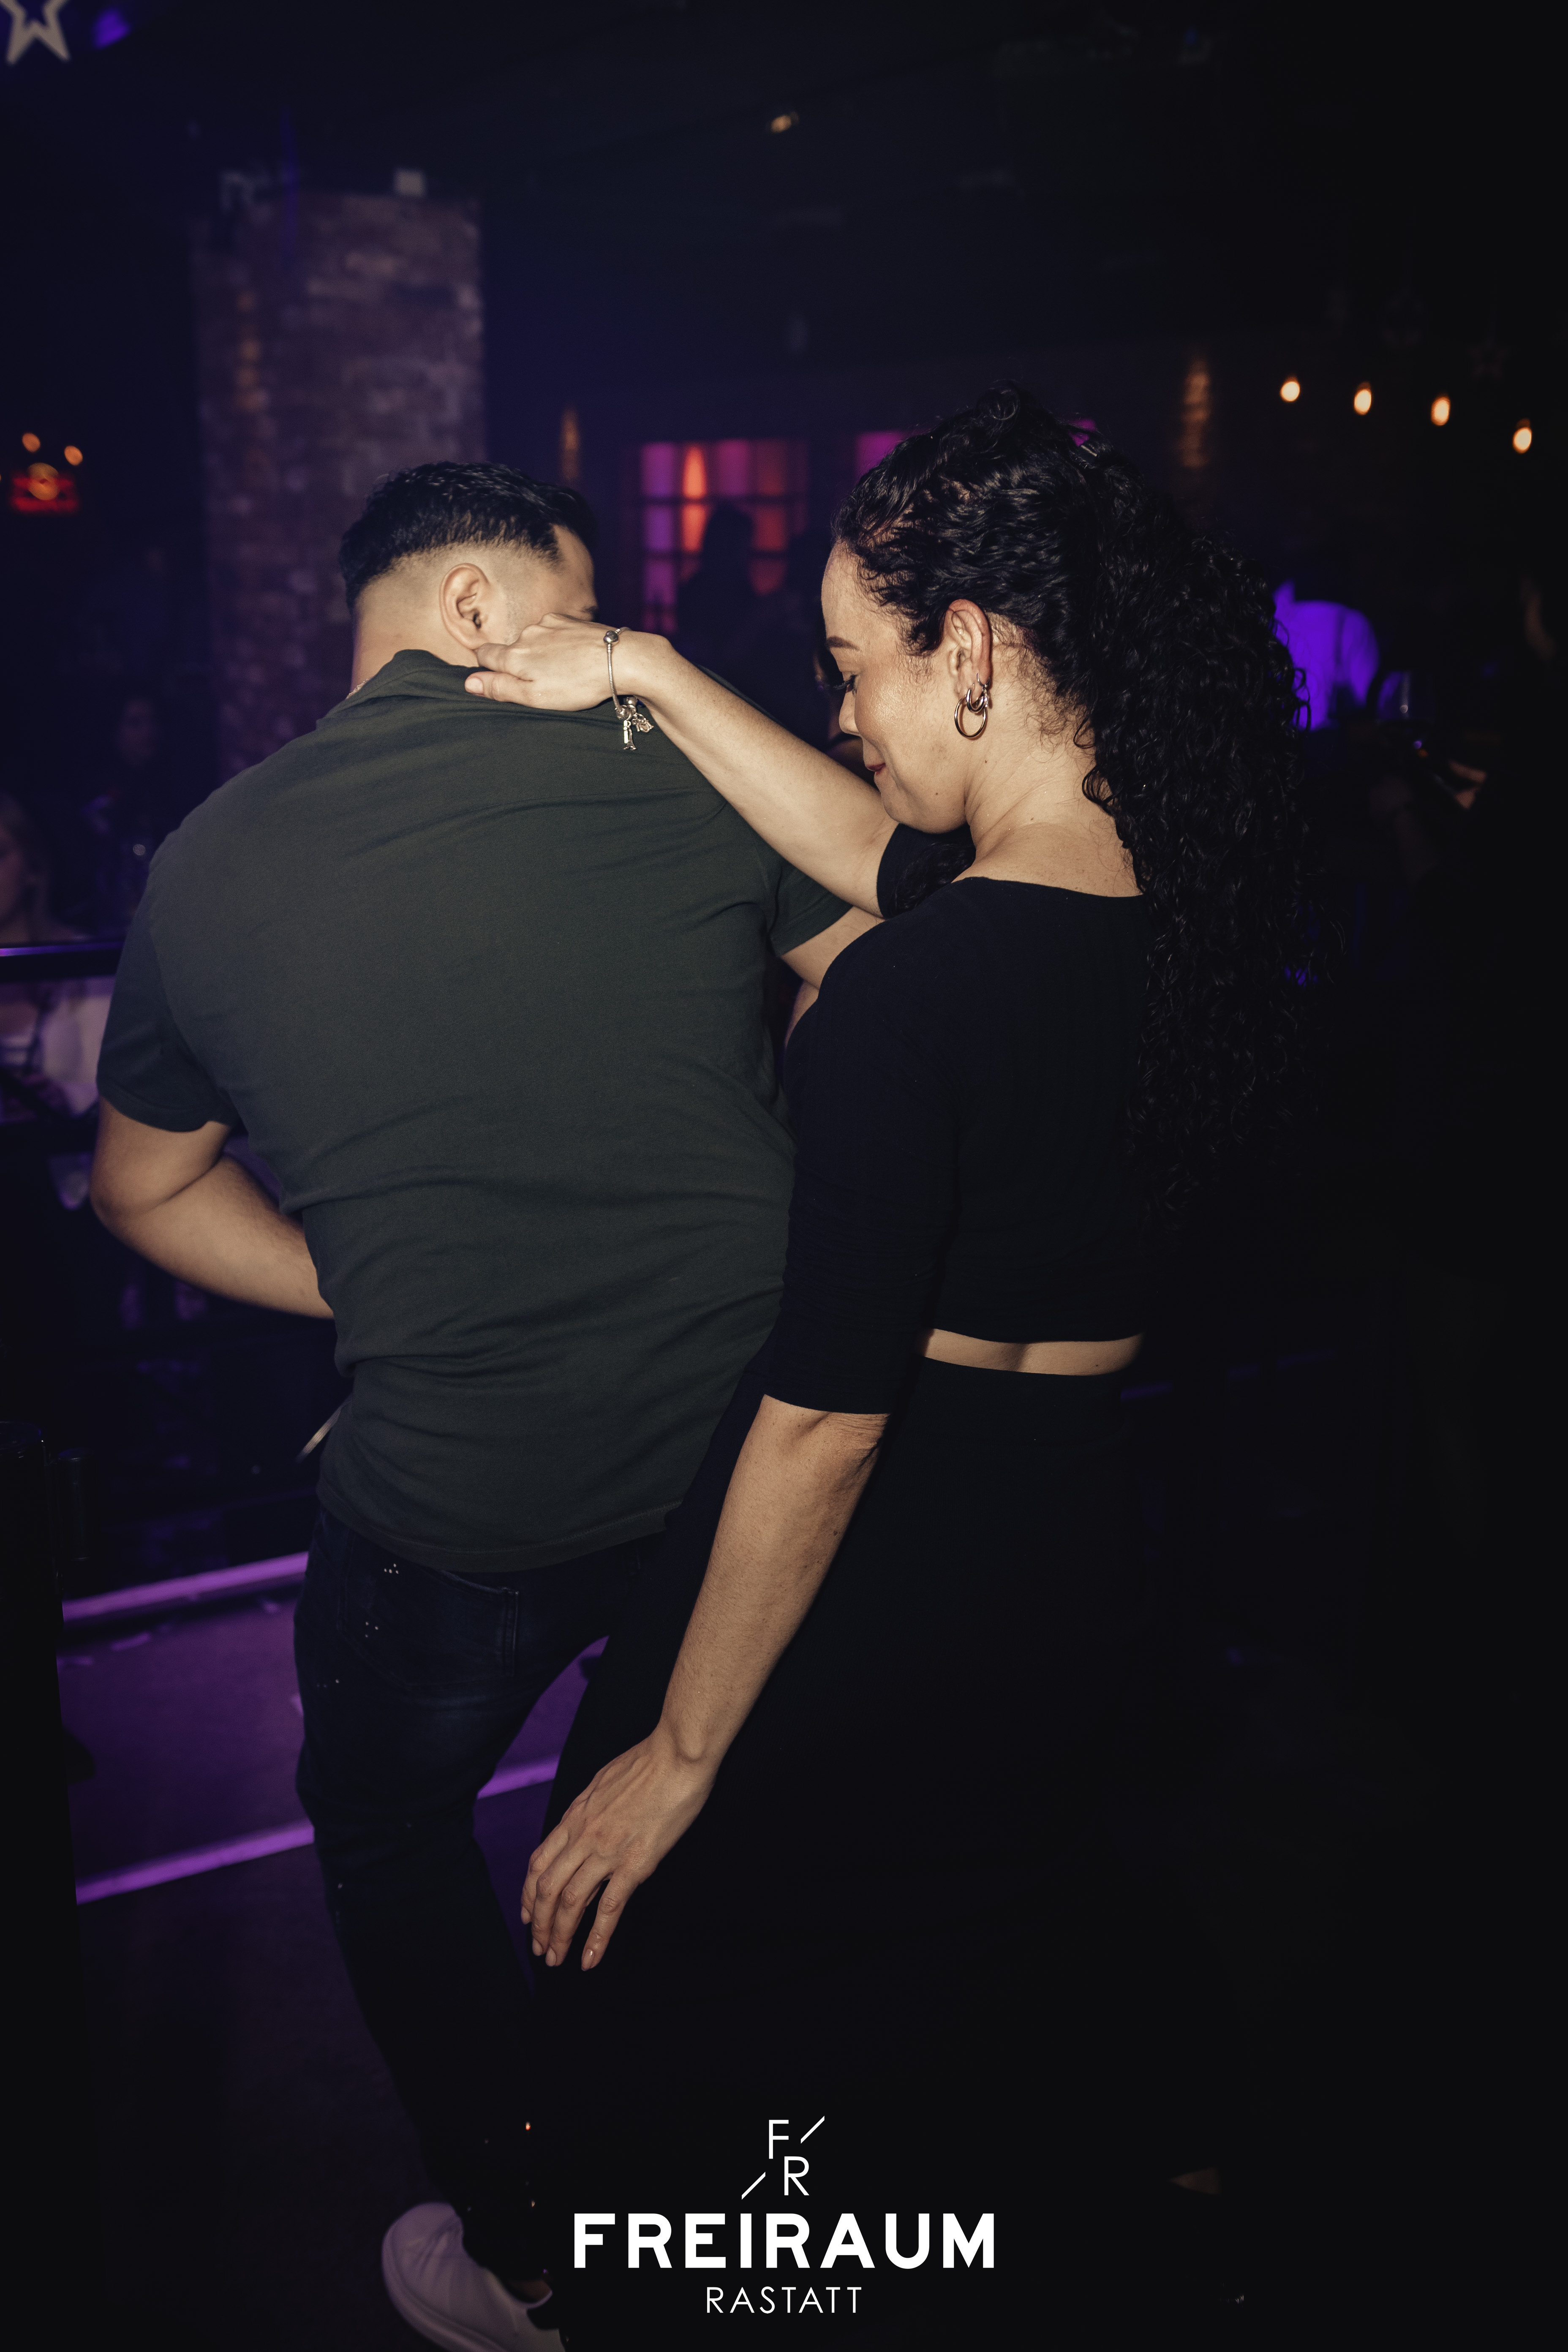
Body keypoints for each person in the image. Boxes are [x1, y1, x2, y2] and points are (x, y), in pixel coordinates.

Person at [466, 387, 1304, 2340]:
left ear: (976, 654)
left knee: (679, 1957)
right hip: (1075, 1528)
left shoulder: (908, 1006)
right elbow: (892, 862)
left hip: (893, 1538)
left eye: (856, 666)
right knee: (964, 1944)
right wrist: (642, 669)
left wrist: (682, 1752)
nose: (843, 710)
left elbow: (828, 1422)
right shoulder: (1195, 915)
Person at [88, 461, 869, 2346]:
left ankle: (534, 2253)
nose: (596, 650)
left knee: (382, 1827)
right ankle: (770, 2212)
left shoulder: (204, 861)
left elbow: (143, 1191)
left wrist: (379, 1278)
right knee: (733, 1799)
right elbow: (881, 957)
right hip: (748, 1457)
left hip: (461, 1502)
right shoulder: (686, 758)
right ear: (471, 607)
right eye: (576, 613)